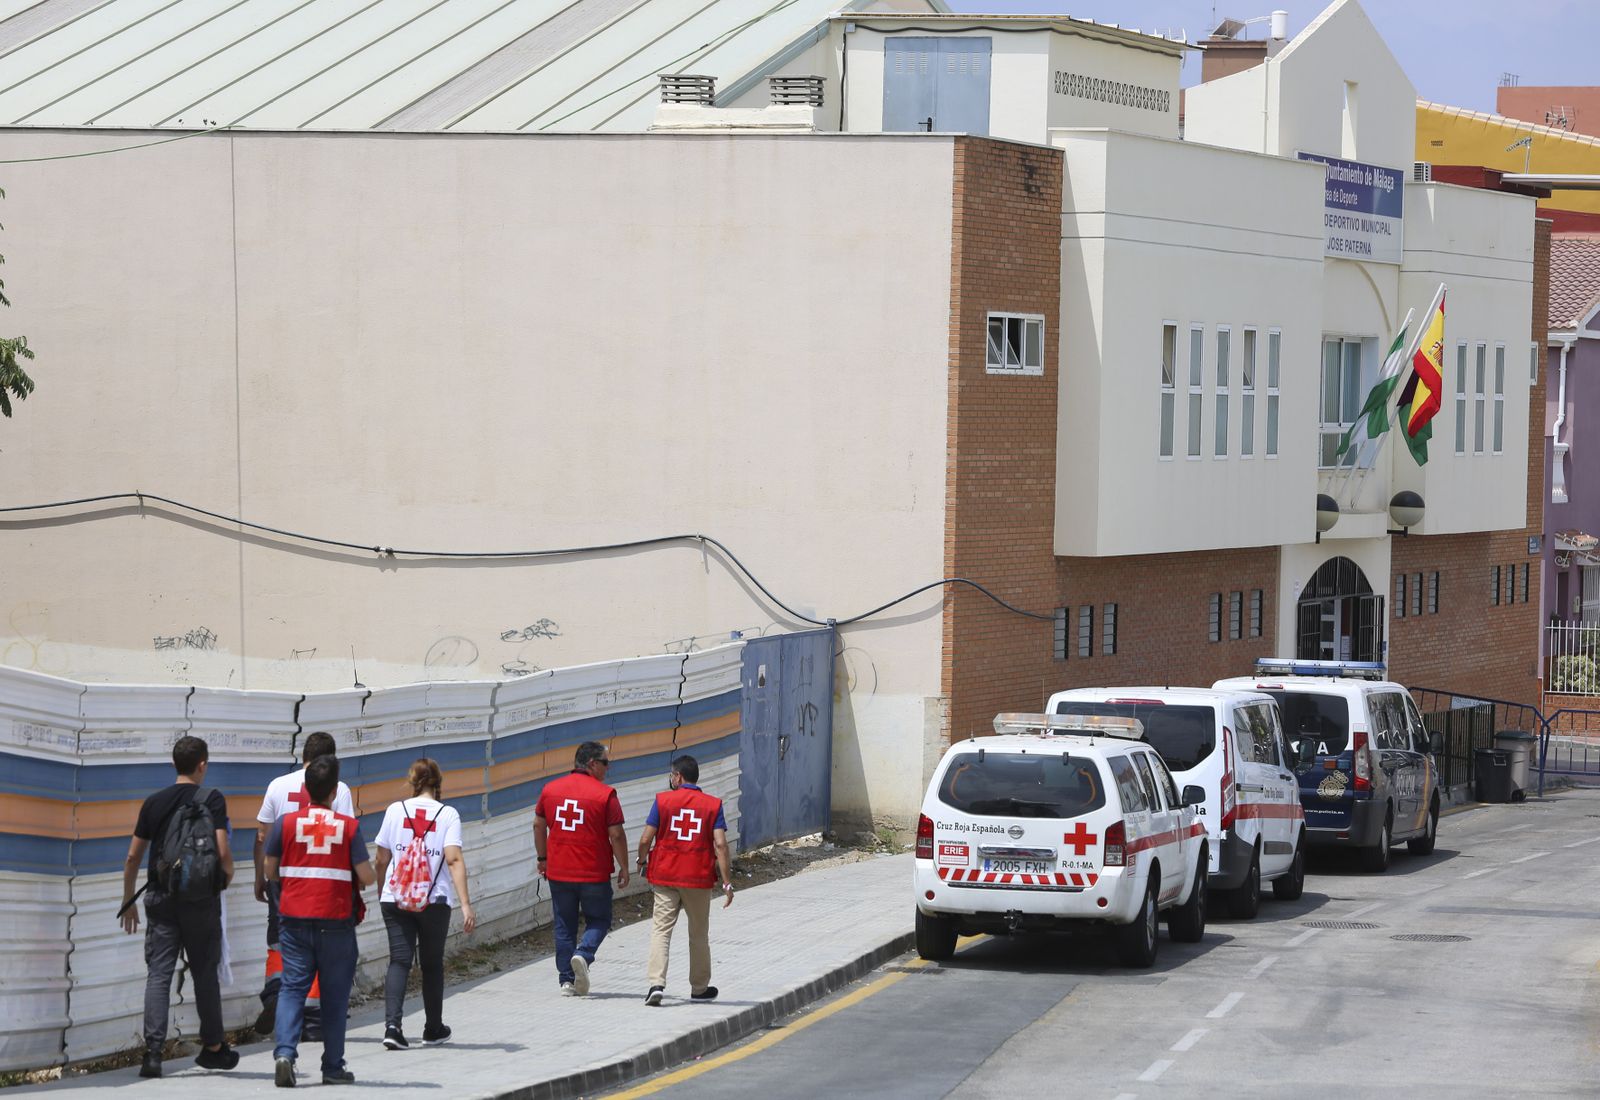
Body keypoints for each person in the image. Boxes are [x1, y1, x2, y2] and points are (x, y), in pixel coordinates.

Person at [119, 735, 240, 1078]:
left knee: (159, 974)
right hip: (201, 901)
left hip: (160, 898)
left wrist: (129, 900)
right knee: (205, 972)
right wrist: (222, 880)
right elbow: (223, 851)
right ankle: (214, 1047)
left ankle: (153, 1054)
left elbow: (132, 856)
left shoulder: (153, 802)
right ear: (202, 765)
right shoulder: (212, 799)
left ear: (174, 764)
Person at [264, 755, 375, 1088]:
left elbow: (269, 869)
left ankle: (285, 1054)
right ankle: (332, 1066)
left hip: (294, 919)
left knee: (292, 989)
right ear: (334, 792)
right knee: (335, 995)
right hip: (335, 922)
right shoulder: (348, 827)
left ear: (306, 788)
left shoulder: (285, 824)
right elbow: (365, 876)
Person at [253, 731, 357, 1037]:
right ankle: (310, 1016)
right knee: (316, 940)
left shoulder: (276, 785)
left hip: (282, 874)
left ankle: (275, 993)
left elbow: (262, 836)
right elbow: (349, 835)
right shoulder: (340, 790)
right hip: (322, 876)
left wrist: (260, 876)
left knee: (279, 937)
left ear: (303, 756)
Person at [373, 758, 477, 1050]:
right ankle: (433, 1029)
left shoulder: (395, 810)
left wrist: (385, 891)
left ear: (413, 781)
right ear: (438, 782)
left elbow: (381, 859)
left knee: (399, 961)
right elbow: (454, 858)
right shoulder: (448, 814)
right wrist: (466, 905)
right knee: (431, 965)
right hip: (434, 900)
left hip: (396, 898)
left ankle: (392, 1027)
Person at [635, 754, 733, 1006]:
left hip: (665, 875)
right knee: (698, 934)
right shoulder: (712, 805)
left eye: (672, 775)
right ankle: (699, 989)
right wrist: (727, 883)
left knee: (661, 930)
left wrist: (642, 861)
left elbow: (646, 839)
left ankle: (656, 983)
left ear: (678, 777)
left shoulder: (663, 801)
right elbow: (720, 844)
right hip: (697, 878)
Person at [533, 740, 628, 995]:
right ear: (592, 764)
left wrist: (542, 858)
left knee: (564, 924)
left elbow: (538, 825)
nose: (608, 769)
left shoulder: (550, 789)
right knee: (600, 919)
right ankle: (584, 954)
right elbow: (616, 834)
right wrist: (625, 867)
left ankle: (566, 980)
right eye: (605, 764)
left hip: (559, 871)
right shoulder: (605, 794)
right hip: (593, 872)